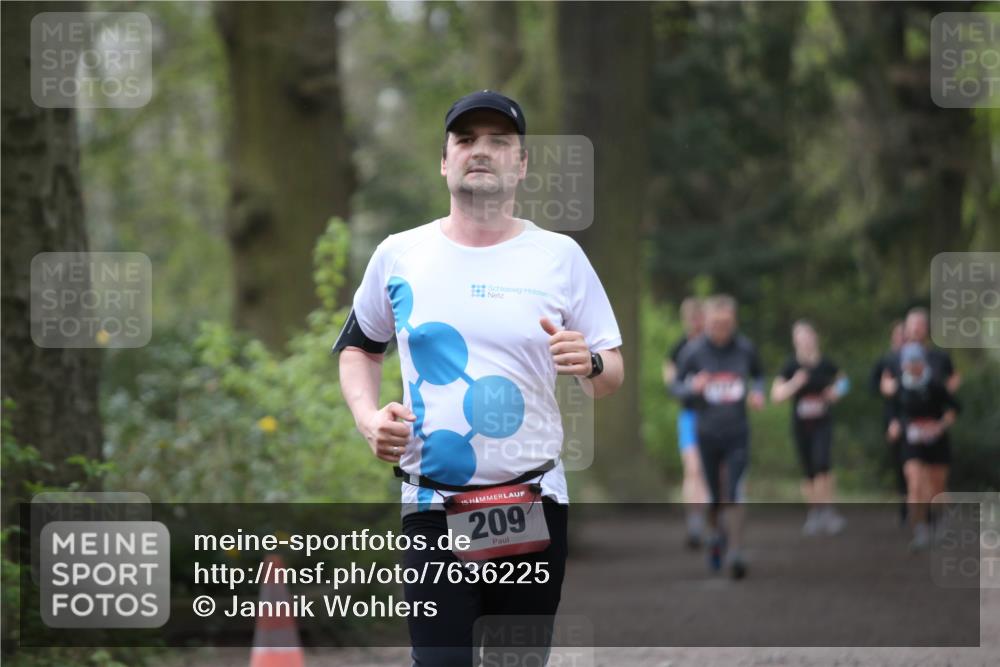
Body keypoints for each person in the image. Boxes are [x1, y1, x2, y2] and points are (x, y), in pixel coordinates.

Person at [335, 90, 624, 666]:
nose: (480, 151)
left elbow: (609, 372)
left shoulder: (560, 256)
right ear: (444, 161)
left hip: (531, 499)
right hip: (432, 503)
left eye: (498, 141)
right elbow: (358, 348)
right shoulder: (400, 255)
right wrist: (368, 419)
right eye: (465, 140)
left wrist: (588, 362)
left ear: (522, 164)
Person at [672, 295, 765, 579]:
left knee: (734, 491)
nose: (720, 329)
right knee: (714, 495)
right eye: (715, 324)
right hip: (707, 433)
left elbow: (759, 374)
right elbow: (675, 386)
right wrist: (693, 388)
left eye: (725, 324)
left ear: (733, 322)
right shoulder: (694, 351)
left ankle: (736, 551)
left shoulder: (745, 348)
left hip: (737, 432)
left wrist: (758, 392)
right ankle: (715, 534)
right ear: (707, 322)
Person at [771, 320, 849, 536]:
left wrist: (836, 392)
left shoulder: (826, 364)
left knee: (823, 463)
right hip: (801, 426)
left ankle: (828, 511)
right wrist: (795, 383)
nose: (804, 342)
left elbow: (844, 381)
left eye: (807, 337)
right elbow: (776, 395)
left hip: (822, 423)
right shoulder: (790, 366)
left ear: (815, 338)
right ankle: (814, 513)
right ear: (795, 342)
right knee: (809, 471)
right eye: (800, 339)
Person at [887, 343, 960, 551]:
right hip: (912, 441)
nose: (911, 367)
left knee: (937, 487)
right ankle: (920, 529)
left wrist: (940, 425)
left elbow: (954, 408)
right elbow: (894, 412)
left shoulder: (935, 385)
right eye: (907, 363)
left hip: (936, 441)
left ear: (922, 363)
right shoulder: (900, 387)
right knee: (915, 482)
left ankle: (941, 520)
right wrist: (895, 425)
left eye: (915, 362)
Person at [662, 297, 710, 548]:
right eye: (690, 318)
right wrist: (690, 388)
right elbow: (671, 383)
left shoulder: (716, 347)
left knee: (713, 470)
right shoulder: (678, 349)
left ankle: (714, 518)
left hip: (716, 416)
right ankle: (695, 523)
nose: (695, 323)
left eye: (698, 317)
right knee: (692, 469)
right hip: (690, 415)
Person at [870, 320, 906, 523]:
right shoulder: (886, 361)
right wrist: (884, 387)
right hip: (893, 419)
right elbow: (874, 387)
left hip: (917, 418)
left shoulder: (921, 359)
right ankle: (906, 507)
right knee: (901, 464)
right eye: (898, 334)